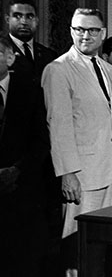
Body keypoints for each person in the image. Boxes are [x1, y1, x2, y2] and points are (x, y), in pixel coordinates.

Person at [41, 8, 112, 276]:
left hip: (107, 171)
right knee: (75, 250)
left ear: (103, 33)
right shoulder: (58, 69)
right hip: (80, 176)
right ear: (71, 31)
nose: (85, 35)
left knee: (98, 248)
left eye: (92, 30)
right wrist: (68, 174)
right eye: (78, 29)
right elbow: (58, 125)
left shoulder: (107, 69)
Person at [0, 37, 50, 277]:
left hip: (22, 192)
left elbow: (41, 140)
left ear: (10, 58)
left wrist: (16, 171)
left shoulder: (29, 92)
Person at [2, 0, 56, 80]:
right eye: (17, 16)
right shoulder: (1, 51)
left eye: (29, 17)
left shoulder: (49, 56)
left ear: (37, 21)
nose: (24, 21)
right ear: (7, 19)